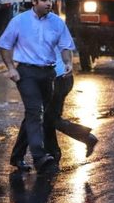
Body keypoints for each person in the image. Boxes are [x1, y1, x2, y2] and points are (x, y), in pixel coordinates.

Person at [0, 0, 75, 174]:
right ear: (34, 1)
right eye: (45, 0)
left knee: (33, 116)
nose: (49, 3)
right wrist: (11, 68)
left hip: (48, 74)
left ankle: (17, 157)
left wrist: (68, 63)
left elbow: (66, 46)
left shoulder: (57, 22)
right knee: (34, 111)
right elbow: (4, 45)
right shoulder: (19, 21)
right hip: (26, 73)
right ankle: (40, 157)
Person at [9, 37, 99, 171]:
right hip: (61, 78)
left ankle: (84, 137)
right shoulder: (54, 25)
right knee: (46, 118)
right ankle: (52, 154)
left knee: (40, 117)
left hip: (55, 78)